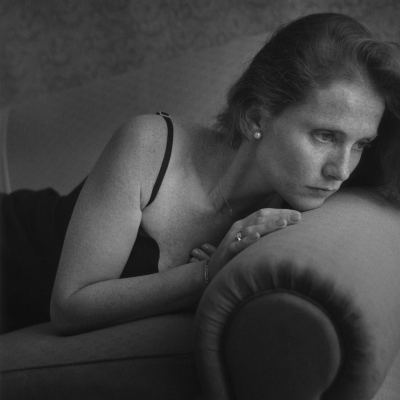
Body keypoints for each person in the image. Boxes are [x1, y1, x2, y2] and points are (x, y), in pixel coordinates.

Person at [1, 12, 400, 335]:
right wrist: (204, 274)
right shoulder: (148, 144)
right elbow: (68, 306)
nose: (341, 170)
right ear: (256, 117)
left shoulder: (285, 210)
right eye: (325, 136)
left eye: (361, 144)